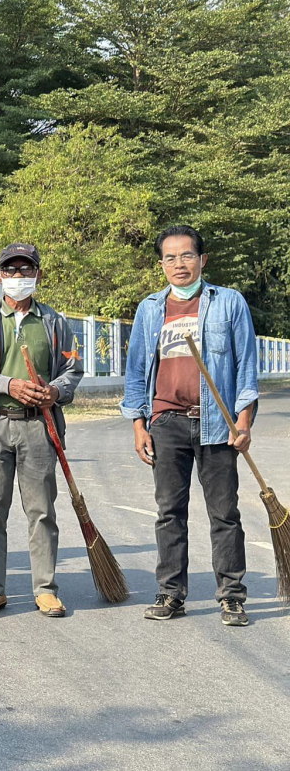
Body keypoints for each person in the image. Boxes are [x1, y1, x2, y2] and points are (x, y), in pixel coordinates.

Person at [122, 225, 258, 627]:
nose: (178, 264)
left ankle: (232, 597)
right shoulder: (150, 308)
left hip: (218, 425)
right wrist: (139, 424)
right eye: (169, 257)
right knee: (169, 513)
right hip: (166, 423)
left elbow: (246, 367)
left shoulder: (229, 303)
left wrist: (244, 422)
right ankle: (171, 594)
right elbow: (136, 373)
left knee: (225, 514)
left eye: (186, 256)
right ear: (161, 263)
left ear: (202, 260)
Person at [0, 243, 83, 618]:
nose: (18, 278)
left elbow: (73, 370)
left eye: (26, 271)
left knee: (41, 510)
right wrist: (6, 385)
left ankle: (45, 588)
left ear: (38, 276)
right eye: (11, 271)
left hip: (39, 427)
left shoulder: (54, 322)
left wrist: (55, 390)